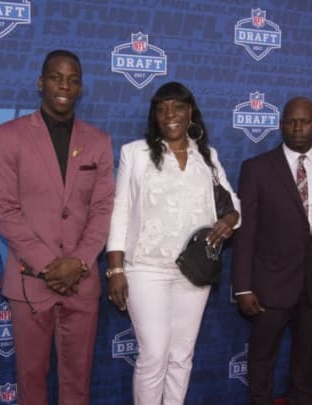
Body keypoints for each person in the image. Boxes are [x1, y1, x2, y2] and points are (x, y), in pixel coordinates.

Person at [0, 49, 115, 405]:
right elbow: (5, 209)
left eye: (73, 80)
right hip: (30, 281)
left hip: (81, 279)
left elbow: (103, 208)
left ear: (81, 87)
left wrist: (79, 262)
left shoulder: (98, 141)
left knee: (78, 380)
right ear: (41, 83)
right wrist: (49, 265)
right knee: (30, 380)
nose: (65, 86)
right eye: (57, 78)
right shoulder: (9, 136)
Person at [106, 81, 240, 405]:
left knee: (182, 355)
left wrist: (229, 220)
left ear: (190, 112)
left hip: (193, 269)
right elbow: (120, 210)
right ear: (155, 114)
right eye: (162, 108)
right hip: (145, 268)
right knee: (154, 353)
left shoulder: (207, 156)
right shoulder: (134, 154)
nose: (170, 115)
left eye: (177, 107)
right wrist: (114, 269)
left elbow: (233, 204)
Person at [231, 96, 312, 405]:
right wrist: (242, 287)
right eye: (291, 121)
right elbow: (245, 233)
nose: (298, 127)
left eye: (305, 121)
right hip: (269, 286)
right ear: (280, 124)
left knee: (306, 362)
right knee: (262, 360)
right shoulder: (256, 169)